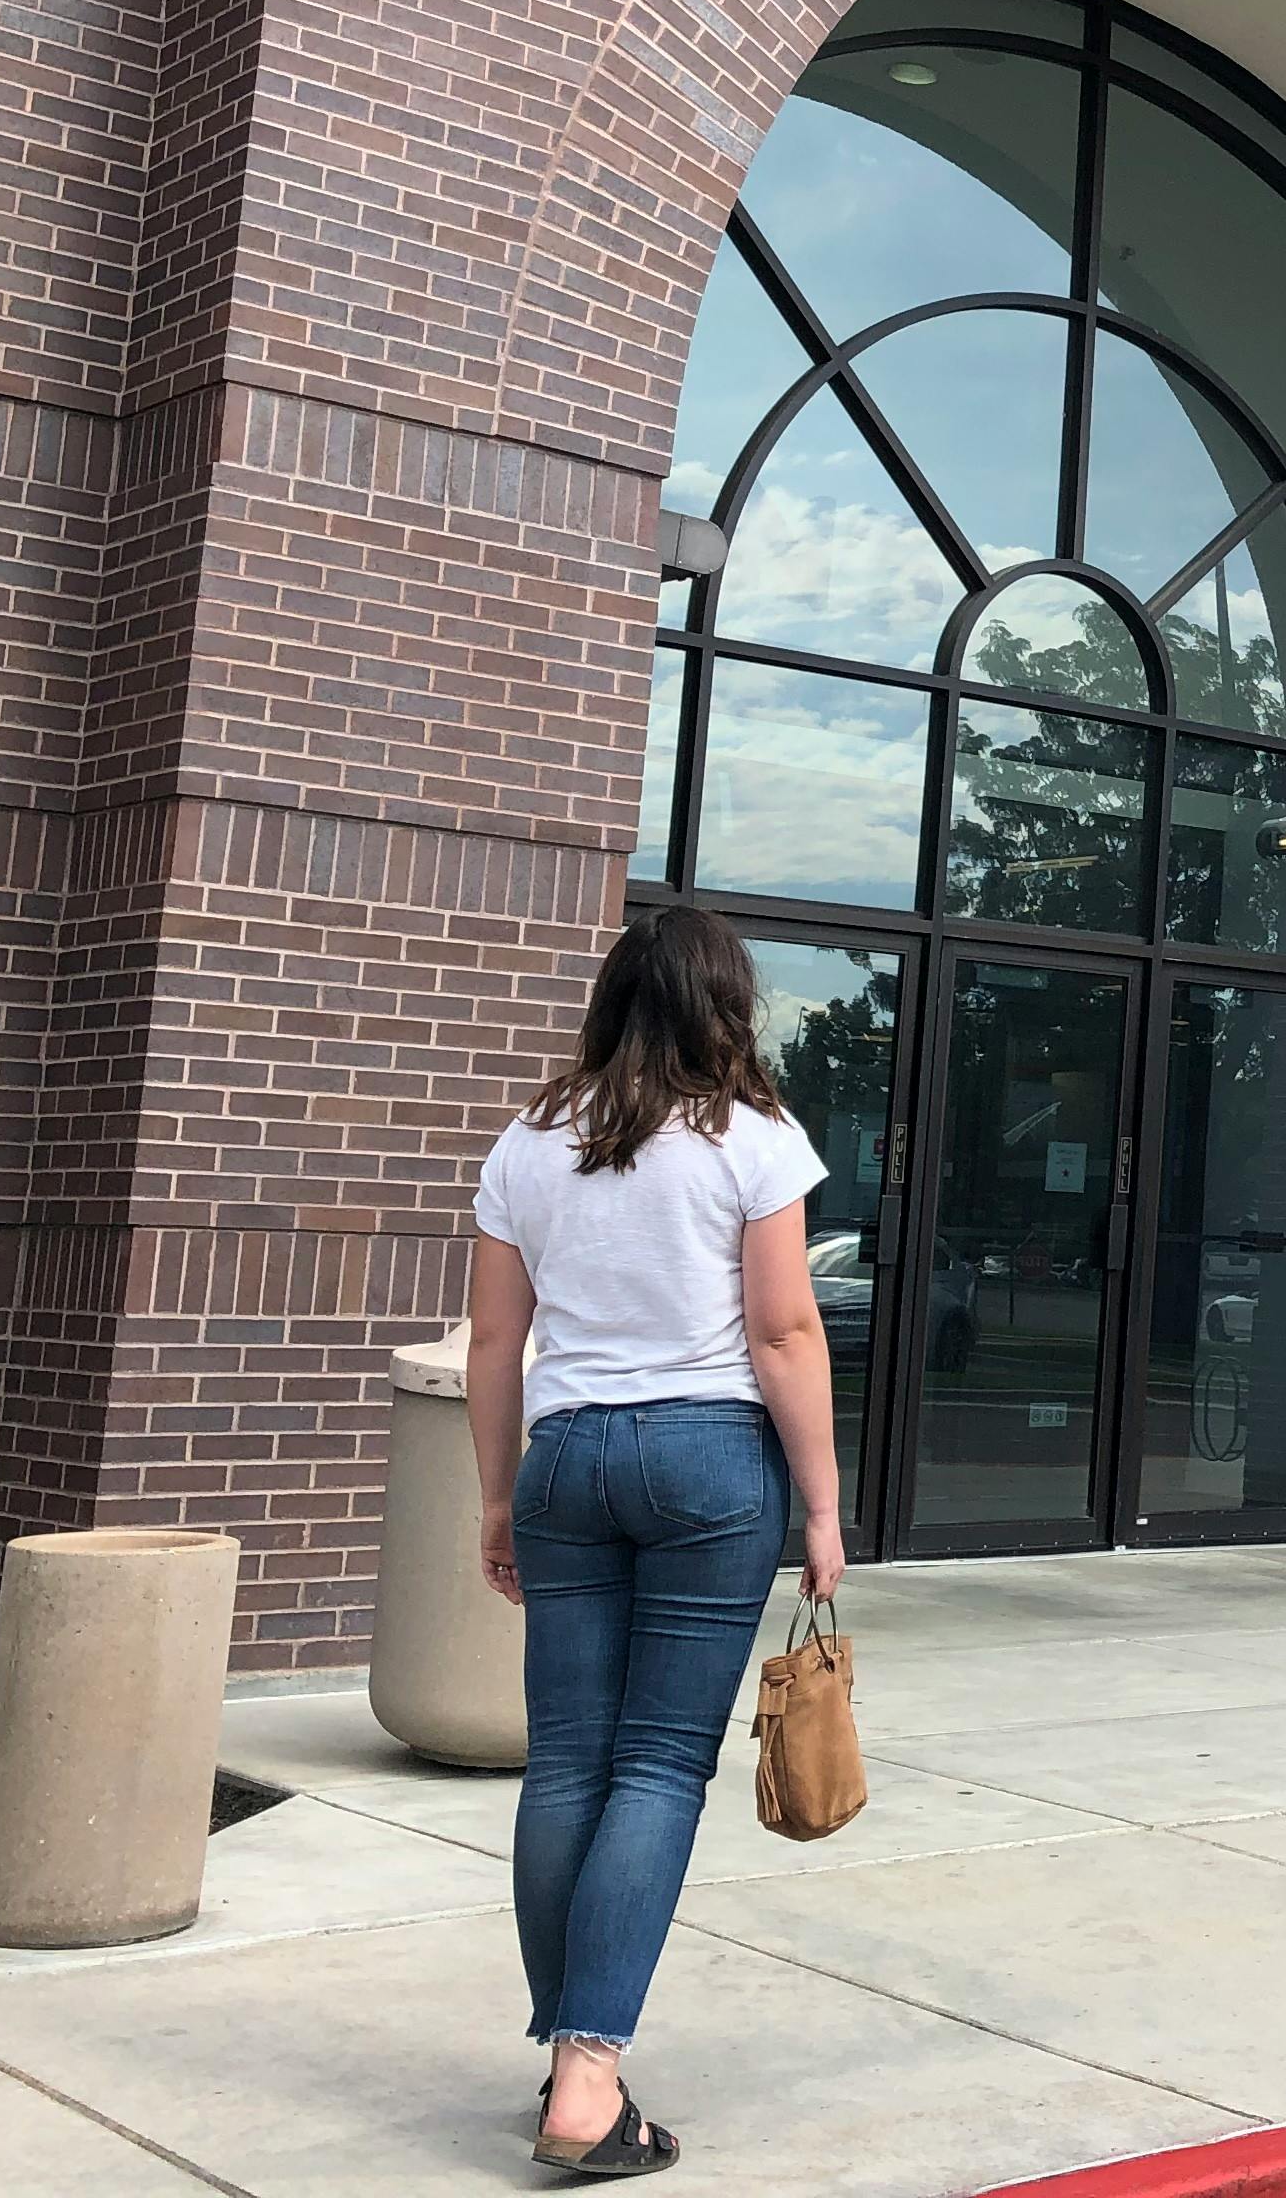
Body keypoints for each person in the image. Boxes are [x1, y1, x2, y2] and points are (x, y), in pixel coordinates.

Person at [467, 908, 846, 2179]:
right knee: (660, 1767)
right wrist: (823, 1506)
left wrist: (496, 1499)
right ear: (724, 1005)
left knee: (567, 1765)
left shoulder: (530, 1141)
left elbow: (493, 1343)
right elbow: (783, 1333)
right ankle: (589, 2079)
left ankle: (569, 2061)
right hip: (707, 1460)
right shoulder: (754, 1138)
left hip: (566, 1460)